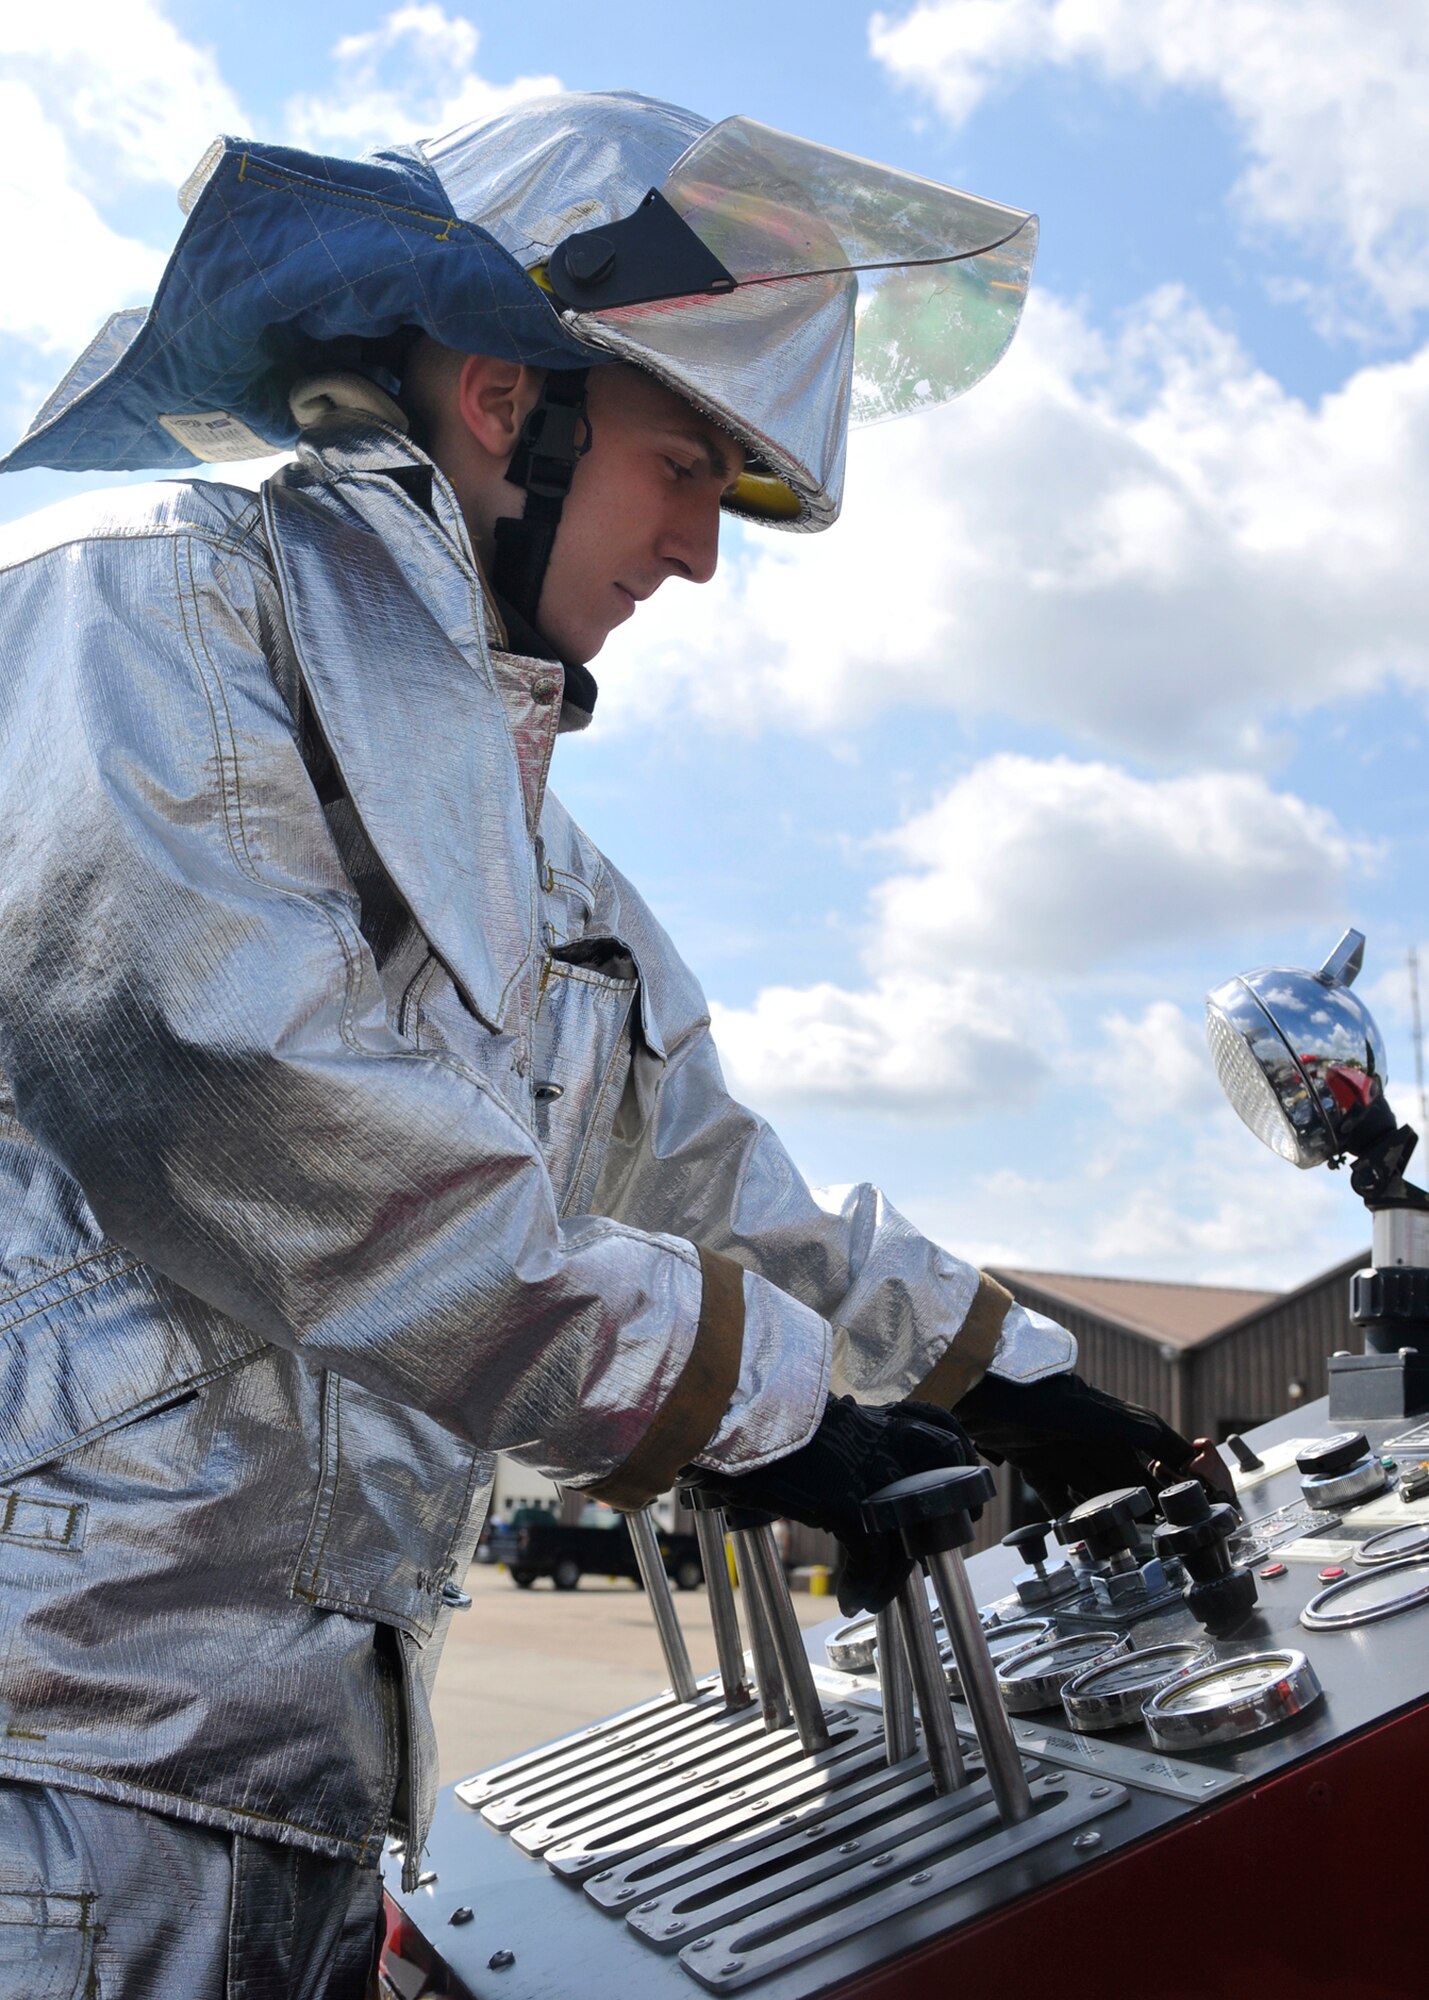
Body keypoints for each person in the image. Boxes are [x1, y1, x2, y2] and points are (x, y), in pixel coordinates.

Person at [0, 92, 1224, 1998]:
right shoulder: (144, 624)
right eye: (684, 468)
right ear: (506, 400)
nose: (702, 556)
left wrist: (1012, 1374)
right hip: (51, 1787)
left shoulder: (545, 875)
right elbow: (270, 1117)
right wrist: (760, 1409)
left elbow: (720, 1189)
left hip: (307, 1809)